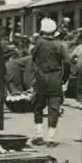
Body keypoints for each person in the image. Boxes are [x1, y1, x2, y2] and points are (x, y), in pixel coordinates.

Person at [30, 18, 70, 146]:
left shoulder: (38, 43)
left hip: (41, 78)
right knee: (54, 108)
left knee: (38, 106)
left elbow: (33, 58)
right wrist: (64, 78)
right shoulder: (60, 45)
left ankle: (39, 135)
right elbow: (67, 62)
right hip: (55, 78)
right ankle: (51, 138)